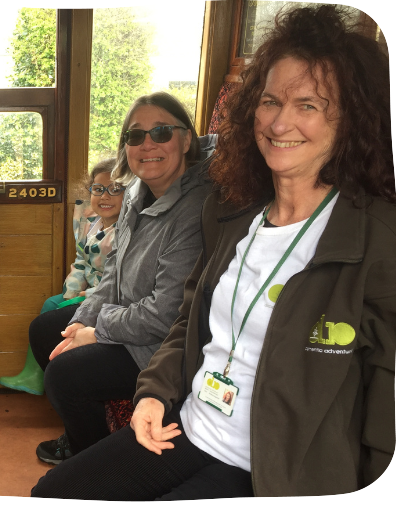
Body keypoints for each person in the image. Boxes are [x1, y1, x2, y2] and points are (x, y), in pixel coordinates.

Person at [31, 5, 394, 499]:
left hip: (272, 468)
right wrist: (155, 392)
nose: (280, 122)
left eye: (308, 104)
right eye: (269, 102)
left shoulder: (377, 240)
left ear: (353, 116)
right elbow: (188, 318)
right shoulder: (234, 213)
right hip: (189, 428)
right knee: (52, 494)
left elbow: (383, 400)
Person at [31, 91, 217, 464]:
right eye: (135, 136)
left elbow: (166, 316)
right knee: (45, 330)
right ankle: (81, 432)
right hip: (128, 317)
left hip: (162, 345)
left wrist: (97, 329)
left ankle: (95, 461)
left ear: (185, 140)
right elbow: (113, 267)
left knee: (64, 375)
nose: (147, 144)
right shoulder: (136, 191)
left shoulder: (196, 210)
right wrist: (83, 317)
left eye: (161, 132)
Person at [0, 158, 123, 395]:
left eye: (115, 190)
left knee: (55, 311)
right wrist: (72, 291)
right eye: (98, 190)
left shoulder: (125, 231)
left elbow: (120, 279)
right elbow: (81, 262)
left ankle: (44, 374)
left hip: (106, 297)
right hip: (87, 291)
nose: (105, 196)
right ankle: (36, 373)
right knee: (53, 303)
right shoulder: (91, 225)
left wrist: (88, 295)